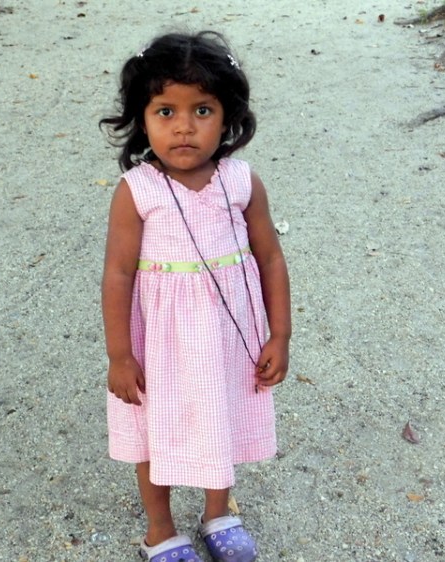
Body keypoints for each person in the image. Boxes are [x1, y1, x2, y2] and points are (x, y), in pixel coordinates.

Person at [99, 31, 291, 562]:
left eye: (202, 110)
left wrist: (280, 334)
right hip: (161, 344)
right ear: (142, 119)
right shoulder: (138, 191)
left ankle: (218, 512)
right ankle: (160, 530)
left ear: (228, 118)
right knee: (153, 428)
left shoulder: (242, 182)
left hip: (228, 338)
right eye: (166, 111)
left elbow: (271, 259)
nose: (184, 126)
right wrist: (120, 355)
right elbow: (117, 274)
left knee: (219, 416)